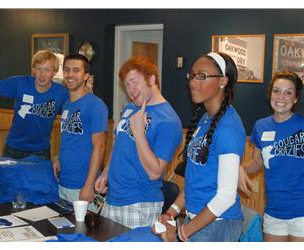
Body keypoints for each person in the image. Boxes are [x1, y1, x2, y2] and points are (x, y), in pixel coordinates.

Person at [155, 52, 246, 242]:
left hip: (218, 225)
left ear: (223, 81)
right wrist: (172, 211)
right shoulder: (206, 119)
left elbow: (226, 197)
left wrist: (182, 233)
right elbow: (195, 181)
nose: (193, 82)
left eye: (202, 76)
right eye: (192, 75)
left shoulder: (229, 126)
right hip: (197, 220)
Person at [95, 56, 182, 229]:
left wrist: (139, 132)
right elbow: (119, 143)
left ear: (151, 79)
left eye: (134, 81)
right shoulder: (130, 108)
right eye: (126, 84)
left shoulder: (168, 120)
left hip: (139, 204)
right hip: (113, 198)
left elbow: (155, 173)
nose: (130, 90)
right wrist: (105, 173)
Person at [238, 71, 304, 242]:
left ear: (296, 98)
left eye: (288, 92)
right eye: (276, 91)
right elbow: (257, 162)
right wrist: (237, 168)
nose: (281, 97)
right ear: (270, 94)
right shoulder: (261, 126)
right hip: (274, 212)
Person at [0, 50, 69, 160]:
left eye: (47, 70)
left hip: (40, 151)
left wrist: (89, 91)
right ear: (33, 69)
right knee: (7, 177)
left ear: (54, 72)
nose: (42, 74)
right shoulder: (19, 83)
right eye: (39, 68)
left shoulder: (61, 93)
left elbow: (81, 106)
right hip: (13, 148)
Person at [53, 54, 108, 211]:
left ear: (85, 76)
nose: (70, 75)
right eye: (67, 70)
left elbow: (100, 147)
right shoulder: (67, 104)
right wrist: (57, 157)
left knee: (85, 234)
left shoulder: (96, 106)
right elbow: (68, 138)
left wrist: (89, 185)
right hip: (63, 182)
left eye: (76, 70)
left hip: (83, 186)